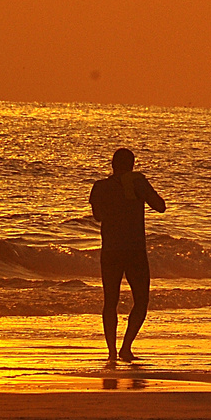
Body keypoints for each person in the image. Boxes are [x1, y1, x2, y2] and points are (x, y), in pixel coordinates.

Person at [89, 147, 166, 365]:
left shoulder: (100, 187)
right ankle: (126, 348)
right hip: (134, 251)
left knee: (110, 302)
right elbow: (160, 207)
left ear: (112, 164)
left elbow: (97, 216)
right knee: (141, 301)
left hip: (111, 250)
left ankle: (112, 352)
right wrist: (135, 190)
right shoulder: (137, 182)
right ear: (132, 165)